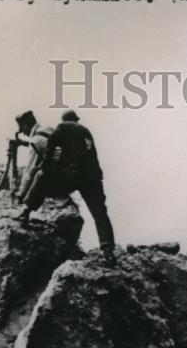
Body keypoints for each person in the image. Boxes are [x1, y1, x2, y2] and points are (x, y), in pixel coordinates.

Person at [14, 110, 117, 265]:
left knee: (42, 176)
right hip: (92, 179)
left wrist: (46, 174)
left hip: (72, 176)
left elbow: (49, 160)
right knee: (100, 213)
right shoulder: (86, 131)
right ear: (76, 120)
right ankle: (108, 251)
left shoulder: (61, 130)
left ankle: (25, 212)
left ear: (63, 120)